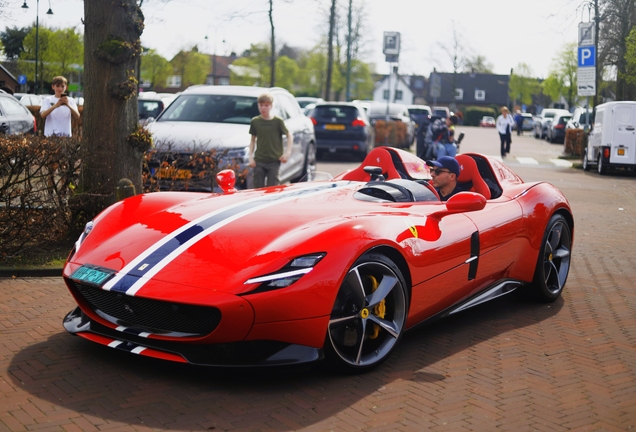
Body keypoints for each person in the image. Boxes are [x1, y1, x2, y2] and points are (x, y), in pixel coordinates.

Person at [248, 93, 292, 188]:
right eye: (261, 105)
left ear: (271, 106)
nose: (263, 108)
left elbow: (289, 135)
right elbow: (252, 140)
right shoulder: (255, 121)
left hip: (274, 161)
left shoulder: (278, 121)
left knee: (272, 188)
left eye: (266, 105)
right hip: (259, 160)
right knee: (258, 188)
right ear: (258, 106)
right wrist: (250, 157)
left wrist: (287, 153)